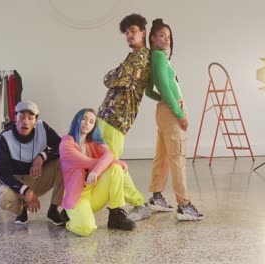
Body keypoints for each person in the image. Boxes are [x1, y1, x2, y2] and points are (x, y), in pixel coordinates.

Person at [145, 18, 203, 220]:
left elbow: (148, 90)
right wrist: (178, 112)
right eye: (162, 36)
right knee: (178, 159)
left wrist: (162, 100)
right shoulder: (159, 57)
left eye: (168, 36)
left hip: (164, 111)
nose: (167, 40)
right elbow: (166, 87)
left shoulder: (154, 58)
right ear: (153, 38)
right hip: (171, 111)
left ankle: (156, 197)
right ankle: (185, 205)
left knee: (162, 157)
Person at [97, 13, 151, 222]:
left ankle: (138, 204)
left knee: (112, 163)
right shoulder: (132, 56)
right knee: (107, 161)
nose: (129, 35)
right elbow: (114, 78)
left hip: (118, 119)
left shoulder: (141, 57)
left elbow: (115, 77)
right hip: (107, 116)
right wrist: (114, 76)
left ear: (143, 32)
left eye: (133, 31)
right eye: (127, 32)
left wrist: (112, 76)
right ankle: (127, 204)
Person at [60, 108, 136, 236]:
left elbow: (109, 154)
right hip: (78, 197)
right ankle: (70, 219)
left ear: (93, 126)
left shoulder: (92, 142)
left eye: (91, 121)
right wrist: (112, 162)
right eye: (84, 119)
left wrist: (109, 164)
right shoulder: (66, 144)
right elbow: (88, 162)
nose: (86, 123)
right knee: (86, 229)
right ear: (77, 120)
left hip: (94, 192)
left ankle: (115, 215)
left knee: (115, 170)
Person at [0, 100, 67, 225]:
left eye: (30, 118)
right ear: (15, 118)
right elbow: (2, 174)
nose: (25, 122)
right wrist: (26, 190)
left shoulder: (43, 128)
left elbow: (63, 147)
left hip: (39, 177)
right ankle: (22, 210)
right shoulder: (5, 137)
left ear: (35, 121)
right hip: (18, 184)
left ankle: (53, 209)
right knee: (0, 197)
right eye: (21, 117)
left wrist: (43, 156)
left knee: (63, 161)